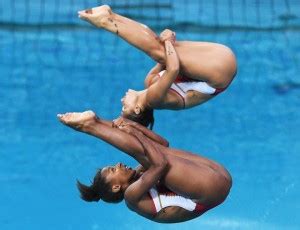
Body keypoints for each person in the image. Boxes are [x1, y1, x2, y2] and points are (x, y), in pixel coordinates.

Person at [57, 110, 232, 223]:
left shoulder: (140, 177)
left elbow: (163, 143)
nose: (117, 164)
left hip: (218, 176)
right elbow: (160, 163)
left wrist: (133, 125)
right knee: (146, 154)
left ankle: (96, 121)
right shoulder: (132, 197)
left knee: (154, 151)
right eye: (113, 169)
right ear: (116, 187)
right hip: (210, 191)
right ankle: (90, 126)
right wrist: (134, 132)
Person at [77, 5, 237, 128]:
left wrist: (167, 41)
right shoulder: (153, 99)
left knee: (158, 45)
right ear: (137, 109)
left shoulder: (149, 82)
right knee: (160, 50)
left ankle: (112, 16)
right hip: (220, 70)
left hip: (218, 61)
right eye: (124, 107)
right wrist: (168, 41)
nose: (122, 100)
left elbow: (165, 60)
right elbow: (172, 68)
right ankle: (106, 21)